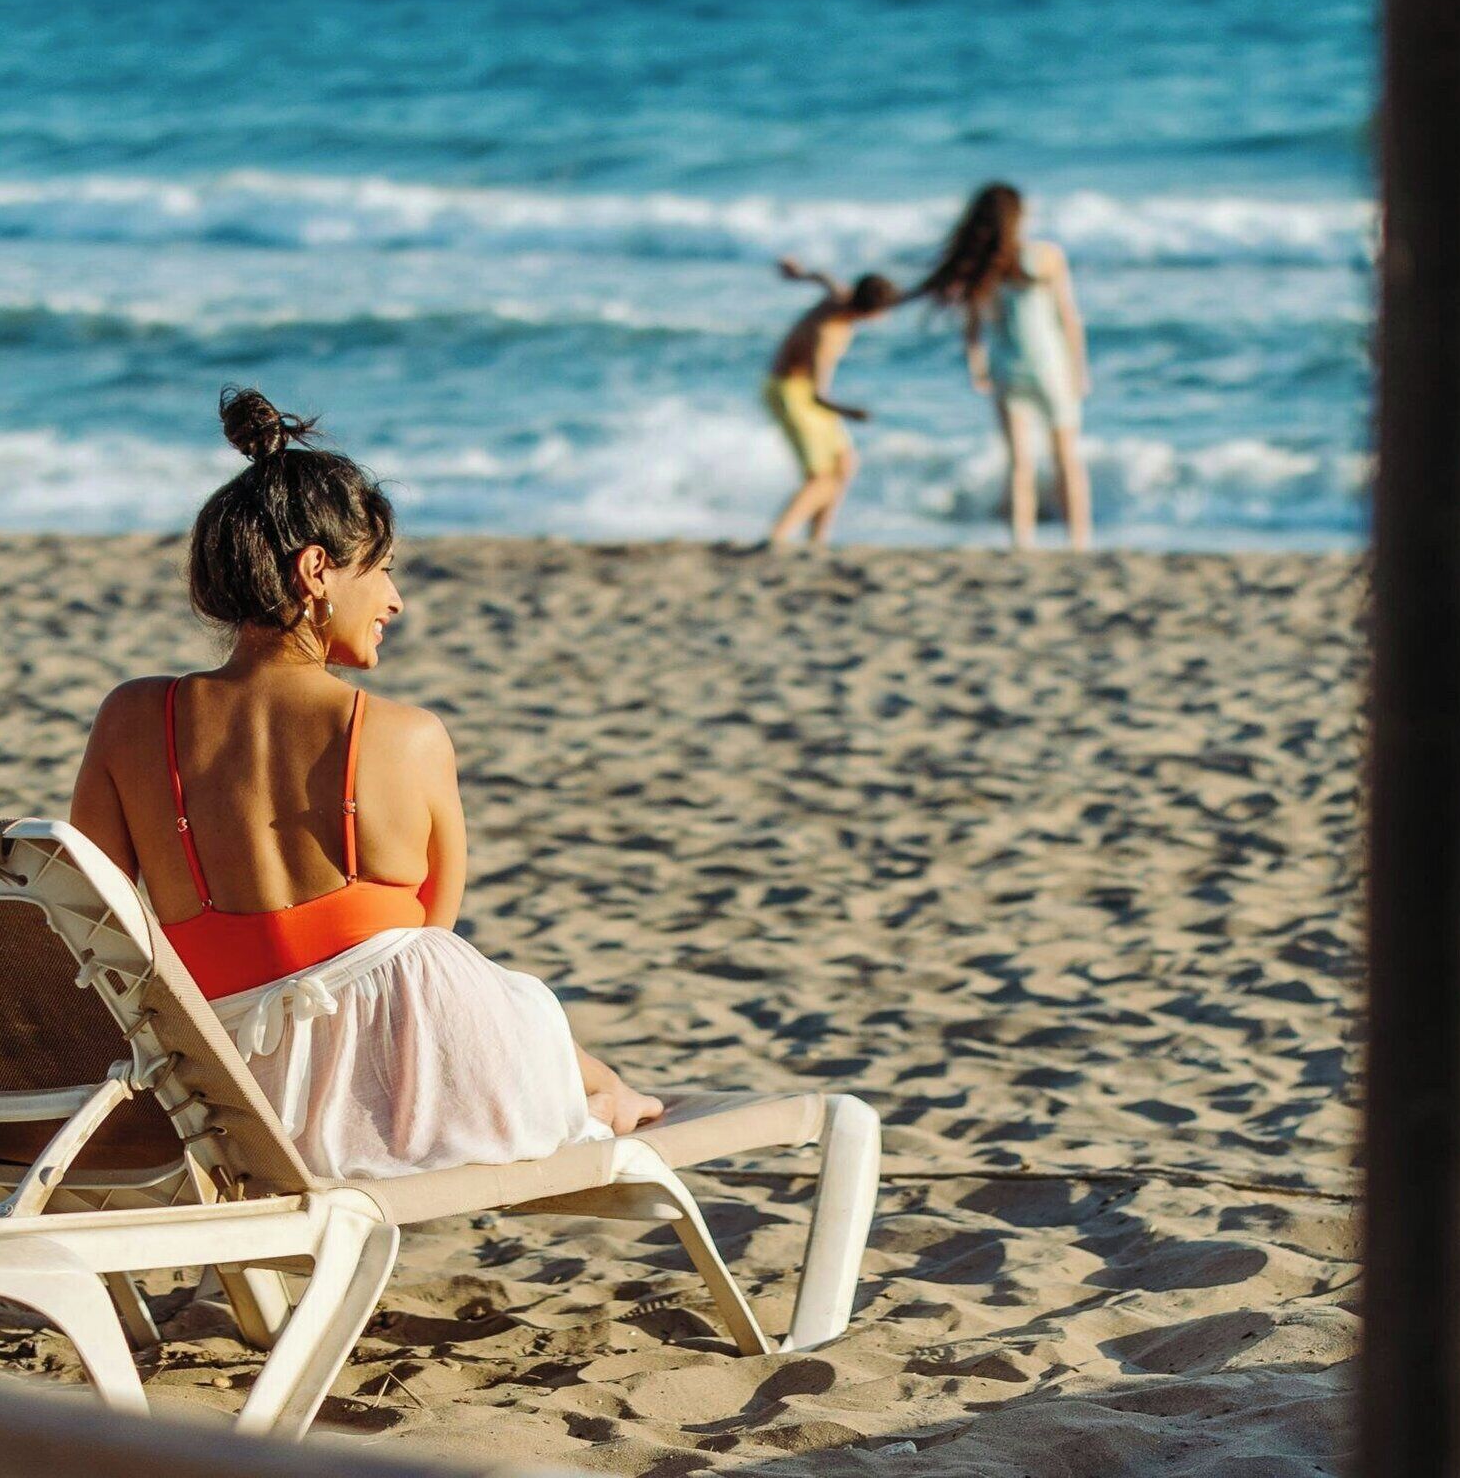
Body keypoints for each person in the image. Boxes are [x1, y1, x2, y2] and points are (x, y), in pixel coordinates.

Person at [65, 391, 658, 1179]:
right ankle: (608, 1095)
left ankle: (602, 1085)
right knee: (531, 1023)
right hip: (400, 1087)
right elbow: (429, 947)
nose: (395, 599)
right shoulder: (407, 735)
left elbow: (92, 915)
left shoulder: (132, 718)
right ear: (318, 571)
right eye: (381, 570)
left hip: (227, 1082)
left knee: (530, 1026)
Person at [918, 182, 1094, 551]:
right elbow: (1067, 317)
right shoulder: (1045, 256)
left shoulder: (984, 265)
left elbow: (974, 323)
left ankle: (1022, 541)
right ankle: (1078, 540)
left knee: (1019, 464)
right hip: (1050, 365)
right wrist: (1080, 368)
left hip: (1005, 367)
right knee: (1066, 457)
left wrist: (975, 362)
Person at [761, 257, 901, 549]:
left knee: (845, 463)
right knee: (821, 476)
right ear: (871, 312)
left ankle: (817, 539)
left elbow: (823, 275)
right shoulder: (826, 333)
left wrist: (798, 275)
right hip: (789, 392)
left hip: (801, 391)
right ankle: (777, 537)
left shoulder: (839, 297)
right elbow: (818, 396)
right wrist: (851, 412)